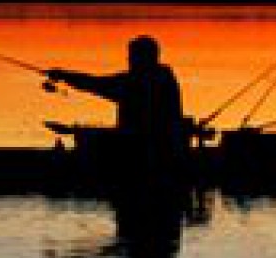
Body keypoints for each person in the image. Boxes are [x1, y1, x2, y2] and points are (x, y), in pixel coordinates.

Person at [43, 35, 187, 162]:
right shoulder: (164, 77)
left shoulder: (140, 82)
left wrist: (63, 76)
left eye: (132, 57)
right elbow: (98, 83)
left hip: (140, 148)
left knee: (89, 140)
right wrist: (64, 76)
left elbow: (96, 84)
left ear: (143, 58)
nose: (128, 60)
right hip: (156, 144)